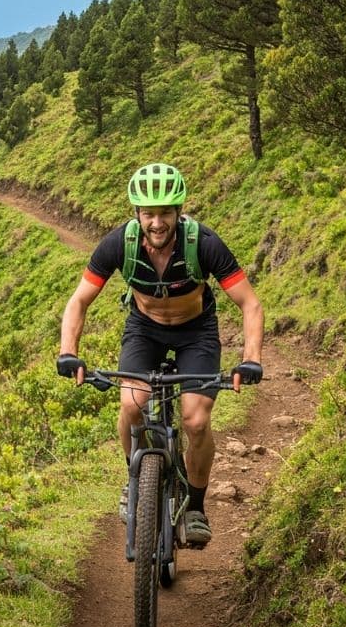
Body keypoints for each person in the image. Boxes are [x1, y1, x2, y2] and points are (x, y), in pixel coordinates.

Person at [57, 162, 264, 545]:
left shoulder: (203, 244)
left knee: (196, 421)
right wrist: (69, 351)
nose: (156, 222)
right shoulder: (120, 244)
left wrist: (250, 358)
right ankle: (133, 479)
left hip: (196, 332)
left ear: (178, 212)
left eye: (165, 213)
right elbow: (79, 301)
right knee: (132, 404)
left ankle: (196, 507)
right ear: (137, 214)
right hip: (144, 329)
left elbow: (249, 304)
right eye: (148, 213)